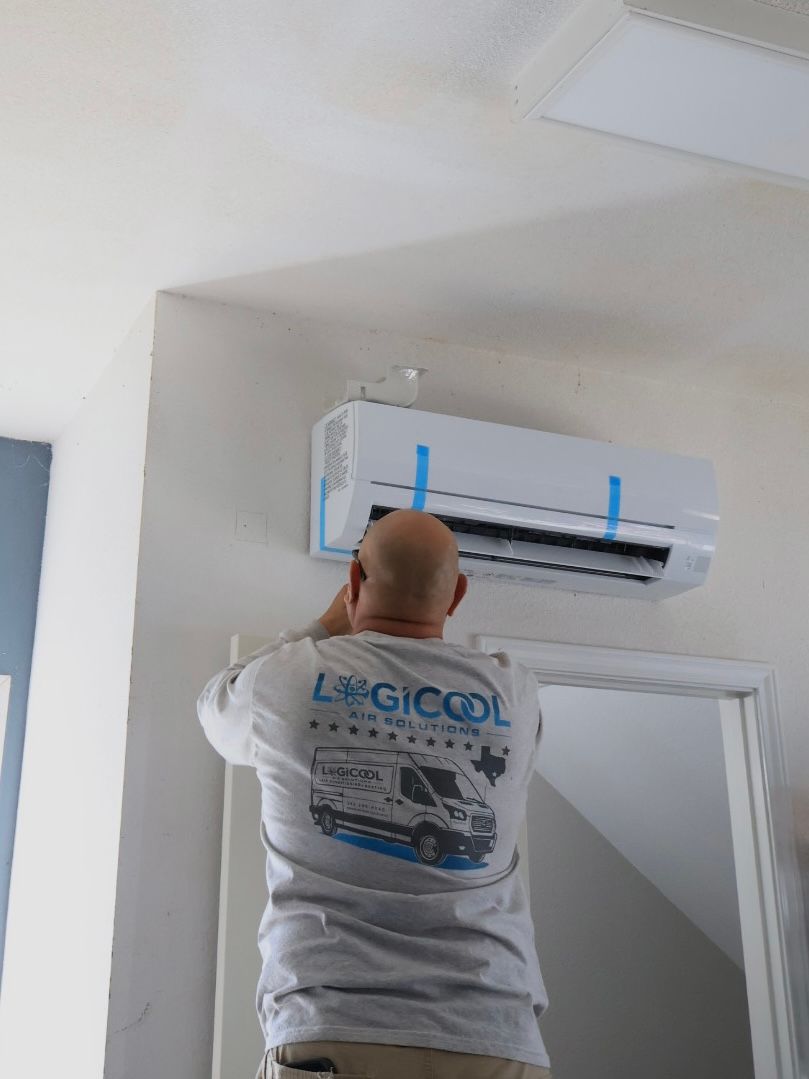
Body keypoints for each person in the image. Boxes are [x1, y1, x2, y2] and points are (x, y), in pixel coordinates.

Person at [197, 509, 551, 1078]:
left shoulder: (288, 679)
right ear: (457, 595)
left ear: (354, 583)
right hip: (495, 1039)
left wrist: (323, 625)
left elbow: (216, 708)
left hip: (333, 1027)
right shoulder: (514, 692)